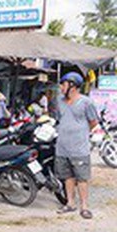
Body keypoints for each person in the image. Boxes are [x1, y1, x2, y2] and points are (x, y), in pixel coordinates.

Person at [54, 72, 98, 219]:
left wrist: (81, 134)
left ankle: (84, 207)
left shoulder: (86, 102)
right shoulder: (59, 101)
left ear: (72, 86)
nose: (61, 87)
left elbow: (93, 122)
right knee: (68, 177)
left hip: (79, 148)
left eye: (63, 84)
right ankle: (70, 203)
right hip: (62, 146)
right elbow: (60, 119)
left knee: (82, 178)